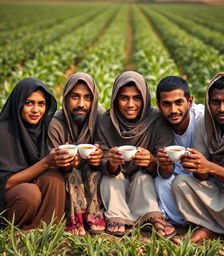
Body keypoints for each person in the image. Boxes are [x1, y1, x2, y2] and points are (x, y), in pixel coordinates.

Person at [172, 73, 224, 244]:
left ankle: (211, 229)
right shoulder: (205, 123)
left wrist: (210, 167)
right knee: (180, 183)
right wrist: (196, 166)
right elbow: (202, 176)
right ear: (208, 103)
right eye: (215, 102)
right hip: (219, 190)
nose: (222, 108)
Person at [95, 71, 176, 237]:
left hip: (145, 178)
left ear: (145, 98)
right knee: (111, 179)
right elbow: (101, 162)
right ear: (115, 99)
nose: (130, 104)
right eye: (124, 98)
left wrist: (151, 161)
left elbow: (165, 166)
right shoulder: (105, 121)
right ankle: (118, 216)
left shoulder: (157, 120)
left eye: (137, 98)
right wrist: (111, 162)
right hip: (116, 177)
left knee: (142, 178)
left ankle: (150, 214)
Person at [0, 78, 65, 229]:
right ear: (18, 104)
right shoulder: (4, 132)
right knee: (29, 193)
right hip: (8, 199)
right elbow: (5, 183)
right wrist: (46, 162)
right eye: (29, 103)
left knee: (54, 178)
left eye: (41, 104)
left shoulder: (44, 129)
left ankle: (44, 230)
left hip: (30, 192)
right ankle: (11, 230)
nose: (36, 110)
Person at [48, 72, 105, 236]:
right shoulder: (56, 124)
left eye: (87, 98)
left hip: (91, 172)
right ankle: (74, 219)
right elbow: (50, 160)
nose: (81, 103)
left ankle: (94, 215)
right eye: (75, 97)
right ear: (66, 98)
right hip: (65, 174)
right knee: (71, 174)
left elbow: (108, 155)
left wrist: (98, 158)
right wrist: (64, 161)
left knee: (93, 172)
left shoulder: (100, 118)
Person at [154, 76, 204, 226]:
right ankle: (183, 221)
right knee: (160, 182)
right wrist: (162, 164)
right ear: (158, 105)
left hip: (203, 178)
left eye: (179, 102)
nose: (173, 110)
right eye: (166, 104)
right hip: (176, 177)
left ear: (190, 102)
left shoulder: (203, 119)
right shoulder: (158, 124)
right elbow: (165, 172)